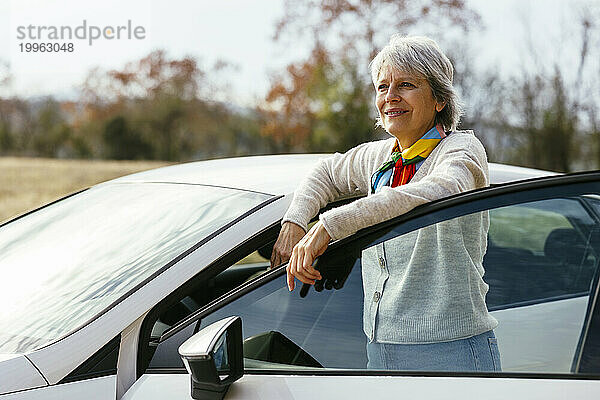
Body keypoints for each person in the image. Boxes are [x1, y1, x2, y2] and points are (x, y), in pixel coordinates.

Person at [269, 35, 500, 372]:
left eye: (405, 85)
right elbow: (324, 173)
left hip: (452, 352)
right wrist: (295, 221)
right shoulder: (382, 155)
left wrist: (331, 225)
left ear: (438, 99)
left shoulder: (462, 151)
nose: (390, 97)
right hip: (380, 347)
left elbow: (435, 192)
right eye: (382, 87)